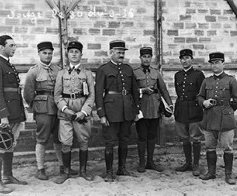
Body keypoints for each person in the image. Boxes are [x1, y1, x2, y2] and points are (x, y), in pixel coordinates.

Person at [0, 35, 27, 194]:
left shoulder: (8, 65)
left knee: (10, 144)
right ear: (1, 47)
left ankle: (8, 176)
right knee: (1, 144)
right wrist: (3, 116)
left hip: (14, 112)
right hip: (5, 114)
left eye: (15, 45)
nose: (14, 48)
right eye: (11, 45)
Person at [95, 40, 140, 182]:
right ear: (111, 53)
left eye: (123, 52)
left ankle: (122, 168)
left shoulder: (128, 69)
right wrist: (101, 114)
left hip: (127, 109)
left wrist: (137, 110)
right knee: (110, 141)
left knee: (124, 140)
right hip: (111, 111)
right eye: (118, 52)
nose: (121, 55)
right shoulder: (104, 69)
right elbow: (98, 93)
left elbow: (134, 90)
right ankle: (109, 172)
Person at [197, 52, 237, 185]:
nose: (215, 65)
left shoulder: (231, 80)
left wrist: (228, 110)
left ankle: (228, 174)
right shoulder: (207, 81)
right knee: (210, 147)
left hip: (225, 121)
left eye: (217, 62)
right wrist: (204, 103)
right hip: (209, 118)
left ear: (223, 64)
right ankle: (211, 173)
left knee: (227, 148)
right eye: (212, 63)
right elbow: (199, 96)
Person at [54, 40, 95, 183]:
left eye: (76, 52)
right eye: (71, 51)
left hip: (82, 112)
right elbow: (57, 95)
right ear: (68, 54)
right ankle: (65, 172)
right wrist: (65, 109)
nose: (74, 54)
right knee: (66, 142)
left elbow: (91, 95)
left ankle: (83, 171)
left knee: (83, 141)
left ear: (81, 54)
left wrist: (83, 112)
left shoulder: (87, 73)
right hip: (65, 113)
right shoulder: (61, 73)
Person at [23, 41, 64, 180]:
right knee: (42, 139)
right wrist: (36, 107)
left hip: (58, 107)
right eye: (44, 53)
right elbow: (28, 93)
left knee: (59, 138)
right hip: (43, 109)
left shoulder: (58, 69)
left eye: (50, 53)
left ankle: (62, 166)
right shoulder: (34, 71)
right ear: (39, 53)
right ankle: (41, 169)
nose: (47, 56)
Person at [133, 47, 173, 173]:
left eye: (148, 57)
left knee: (152, 136)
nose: (146, 59)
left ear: (151, 58)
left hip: (155, 108)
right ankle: (141, 162)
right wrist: (142, 90)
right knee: (142, 136)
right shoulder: (135, 73)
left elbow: (163, 89)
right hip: (141, 108)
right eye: (144, 56)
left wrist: (170, 105)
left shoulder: (156, 72)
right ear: (140, 58)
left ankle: (150, 161)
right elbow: (132, 91)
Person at [174, 49, 205, 176]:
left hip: (194, 108)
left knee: (196, 137)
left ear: (192, 59)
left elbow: (202, 93)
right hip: (181, 109)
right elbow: (178, 91)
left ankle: (196, 164)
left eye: (187, 58)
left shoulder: (198, 74)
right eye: (182, 58)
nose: (184, 60)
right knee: (184, 138)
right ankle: (188, 163)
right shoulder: (178, 75)